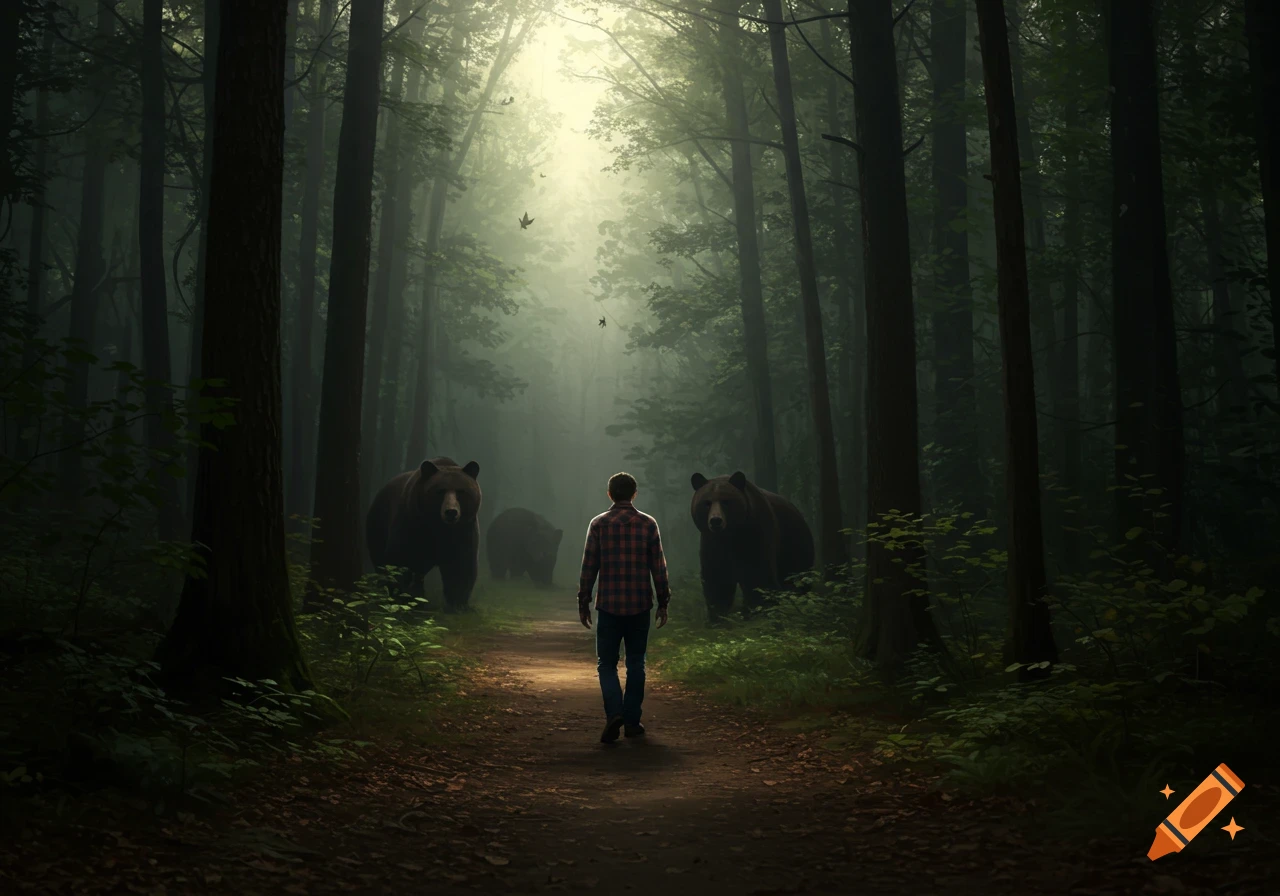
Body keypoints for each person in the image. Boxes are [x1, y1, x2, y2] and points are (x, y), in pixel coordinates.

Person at [576, 471, 671, 744]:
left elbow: (589, 566)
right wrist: (663, 601)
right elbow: (659, 567)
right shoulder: (648, 524)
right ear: (634, 494)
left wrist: (584, 600)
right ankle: (631, 721)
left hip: (608, 606)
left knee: (606, 664)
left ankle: (614, 713)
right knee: (636, 663)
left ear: (609, 494)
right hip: (640, 605)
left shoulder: (598, 524)